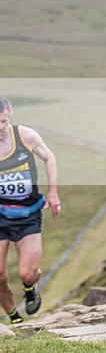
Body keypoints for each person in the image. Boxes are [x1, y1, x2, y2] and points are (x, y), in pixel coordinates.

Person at [0, 96, 60, 324]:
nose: (0, 127)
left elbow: (49, 157)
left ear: (10, 117)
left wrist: (53, 191)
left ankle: (30, 287)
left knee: (27, 272)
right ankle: (15, 318)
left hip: (28, 213)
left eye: (4, 121)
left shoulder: (26, 136)